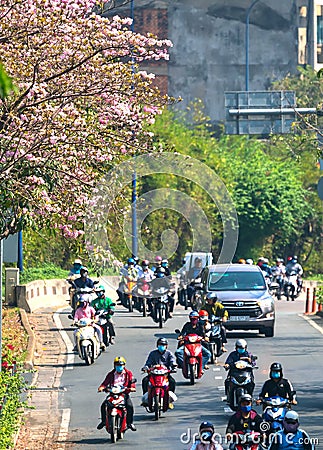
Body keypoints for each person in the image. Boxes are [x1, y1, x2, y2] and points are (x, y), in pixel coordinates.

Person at [97, 356, 137, 431]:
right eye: (117, 365)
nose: (119, 367)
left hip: (123, 394)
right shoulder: (111, 374)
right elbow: (105, 383)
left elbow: (132, 382)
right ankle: (103, 421)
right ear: (114, 366)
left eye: (121, 365)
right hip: (112, 393)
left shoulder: (128, 373)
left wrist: (132, 388)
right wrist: (102, 387)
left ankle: (129, 423)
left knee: (129, 406)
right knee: (103, 405)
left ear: (124, 365)